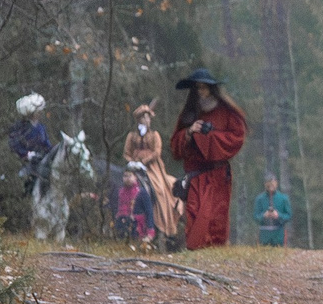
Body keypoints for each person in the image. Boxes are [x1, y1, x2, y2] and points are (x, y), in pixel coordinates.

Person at [171, 67, 247, 250]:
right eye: (197, 88)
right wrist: (189, 132)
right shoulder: (189, 114)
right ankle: (195, 251)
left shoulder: (228, 113)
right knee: (196, 215)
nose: (200, 92)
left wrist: (207, 137)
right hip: (196, 176)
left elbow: (236, 137)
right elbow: (175, 144)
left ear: (211, 89)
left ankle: (214, 253)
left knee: (215, 218)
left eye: (203, 87)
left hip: (218, 175)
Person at [122, 103, 183, 241]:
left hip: (152, 166)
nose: (146, 120)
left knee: (160, 189)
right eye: (143, 118)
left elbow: (157, 152)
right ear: (138, 120)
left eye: (148, 118)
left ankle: (162, 224)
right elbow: (126, 152)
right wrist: (132, 161)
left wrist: (143, 162)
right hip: (134, 166)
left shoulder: (155, 135)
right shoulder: (131, 136)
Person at [8, 94, 51, 192]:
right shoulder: (19, 127)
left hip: (41, 160)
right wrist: (26, 154)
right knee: (23, 180)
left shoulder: (41, 127)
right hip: (23, 163)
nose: (40, 113)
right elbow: (14, 144)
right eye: (38, 111)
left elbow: (47, 144)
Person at [255, 172, 292, 246]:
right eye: (268, 183)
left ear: (276, 183)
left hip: (279, 234)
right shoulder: (259, 199)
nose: (270, 186)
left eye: (272, 183)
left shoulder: (283, 198)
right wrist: (264, 215)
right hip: (264, 234)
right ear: (265, 184)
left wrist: (279, 216)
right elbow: (255, 216)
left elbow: (289, 216)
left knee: (279, 255)